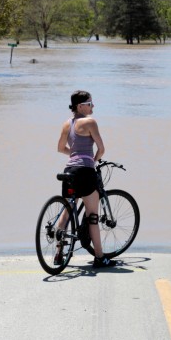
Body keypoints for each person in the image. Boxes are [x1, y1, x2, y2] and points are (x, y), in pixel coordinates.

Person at [56, 90, 117, 269]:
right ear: (80, 106)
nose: (93, 106)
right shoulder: (90, 122)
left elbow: (60, 148)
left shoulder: (67, 124)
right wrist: (92, 159)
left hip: (69, 170)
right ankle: (99, 257)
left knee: (67, 211)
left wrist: (75, 154)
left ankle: (59, 252)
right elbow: (102, 149)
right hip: (85, 172)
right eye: (90, 103)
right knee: (92, 216)